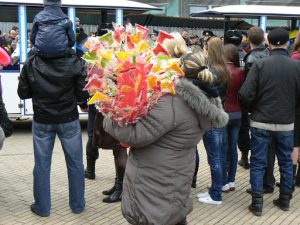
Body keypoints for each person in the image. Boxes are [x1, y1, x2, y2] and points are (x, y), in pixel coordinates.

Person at [103, 51, 228, 225]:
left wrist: (109, 114)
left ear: (179, 70)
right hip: (176, 174)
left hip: (154, 181)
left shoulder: (173, 102)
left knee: (158, 217)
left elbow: (134, 135)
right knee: (174, 215)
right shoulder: (205, 100)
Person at [17, 11, 88, 217]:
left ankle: (42, 207)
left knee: (41, 165)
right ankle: (77, 205)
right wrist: (81, 102)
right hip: (68, 119)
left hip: (42, 120)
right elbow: (83, 92)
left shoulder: (31, 63)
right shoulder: (76, 62)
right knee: (75, 164)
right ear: (66, 38)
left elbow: (23, 93)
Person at [239, 28, 300, 216]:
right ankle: (284, 200)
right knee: (286, 162)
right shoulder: (297, 66)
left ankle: (257, 203)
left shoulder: (260, 64)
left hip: (260, 121)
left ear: (269, 43)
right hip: (286, 122)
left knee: (258, 162)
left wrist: (251, 109)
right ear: (287, 43)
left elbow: (245, 94)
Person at [197, 37, 230, 205]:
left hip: (212, 118)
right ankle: (215, 188)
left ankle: (216, 194)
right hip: (219, 116)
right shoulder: (222, 68)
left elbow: (206, 89)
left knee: (214, 159)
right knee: (218, 157)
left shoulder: (213, 71)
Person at [238, 27, 269, 170]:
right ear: (263, 39)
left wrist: (248, 106)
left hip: (255, 104)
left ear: (248, 40)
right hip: (268, 101)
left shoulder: (250, 58)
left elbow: (248, 86)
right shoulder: (269, 54)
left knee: (252, 134)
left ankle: (247, 159)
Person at [222, 44, 244, 192]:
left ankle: (223, 181)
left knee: (222, 149)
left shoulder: (221, 72)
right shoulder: (242, 72)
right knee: (233, 148)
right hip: (238, 113)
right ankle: (232, 180)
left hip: (223, 113)